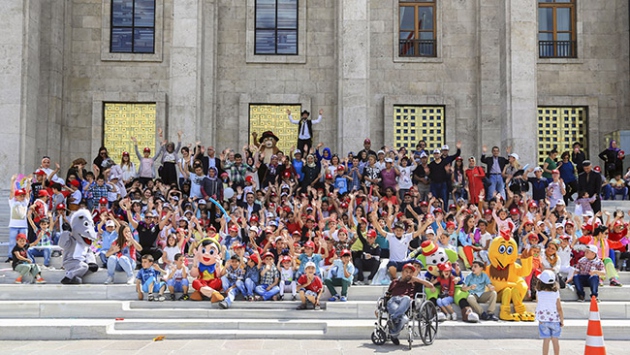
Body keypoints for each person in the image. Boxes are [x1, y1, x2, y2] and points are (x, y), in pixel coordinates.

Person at [385, 263, 435, 345]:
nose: (408, 274)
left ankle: (393, 321)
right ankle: (394, 332)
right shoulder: (394, 282)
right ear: (402, 272)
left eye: (410, 272)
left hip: (406, 302)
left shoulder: (415, 282)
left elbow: (430, 285)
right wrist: (380, 307)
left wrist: (417, 279)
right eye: (406, 271)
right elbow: (387, 295)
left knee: (406, 299)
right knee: (404, 319)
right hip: (393, 300)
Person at [535, 270, 564, 355]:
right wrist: (562, 320)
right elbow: (559, 308)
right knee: (555, 340)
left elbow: (538, 302)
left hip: (543, 320)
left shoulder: (539, 292)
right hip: (555, 319)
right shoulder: (556, 293)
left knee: (546, 340)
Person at [8, 180, 29, 262]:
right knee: (12, 242)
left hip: (23, 226)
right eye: (20, 195)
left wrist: (28, 183)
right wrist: (12, 182)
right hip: (13, 225)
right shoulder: (12, 202)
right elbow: (11, 192)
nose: (22, 197)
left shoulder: (25, 202)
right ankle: (10, 257)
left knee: (24, 242)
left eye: (23, 195)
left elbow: (27, 193)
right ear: (16, 196)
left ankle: (24, 255)